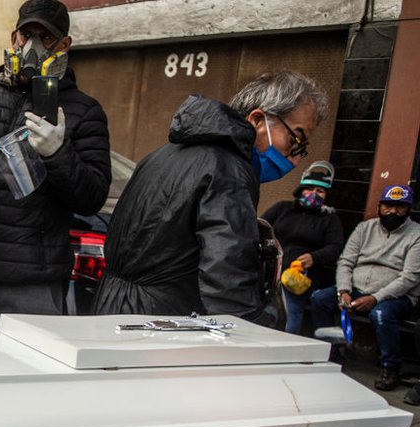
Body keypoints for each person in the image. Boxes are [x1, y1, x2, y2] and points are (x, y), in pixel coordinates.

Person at [93, 70, 328, 323]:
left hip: (114, 309)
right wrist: (249, 333)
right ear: (257, 120)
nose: (294, 156)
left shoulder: (163, 155)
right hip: (164, 324)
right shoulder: (228, 170)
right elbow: (228, 279)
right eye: (296, 138)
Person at [0, 0, 112, 329]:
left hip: (35, 283)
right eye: (28, 35)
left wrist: (58, 153)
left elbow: (93, 196)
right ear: (14, 38)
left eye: (47, 38)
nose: (35, 46)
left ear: (65, 45)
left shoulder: (85, 111)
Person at [310, 184, 420, 392]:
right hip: (356, 288)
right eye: (388, 206)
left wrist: (376, 298)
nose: (393, 211)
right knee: (319, 299)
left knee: (380, 314)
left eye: (400, 207)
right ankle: (331, 350)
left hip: (395, 296)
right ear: (380, 206)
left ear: (409, 209)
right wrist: (343, 290)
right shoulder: (364, 228)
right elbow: (345, 261)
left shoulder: (416, 235)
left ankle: (390, 368)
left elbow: (410, 277)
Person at [262, 161, 345, 333]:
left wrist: (314, 257)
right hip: (270, 269)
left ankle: (287, 344)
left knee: (290, 310)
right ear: (301, 190)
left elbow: (335, 247)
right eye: (310, 189)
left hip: (300, 275)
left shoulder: (329, 219)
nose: (314, 194)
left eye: (320, 191)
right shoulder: (282, 208)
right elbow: (261, 226)